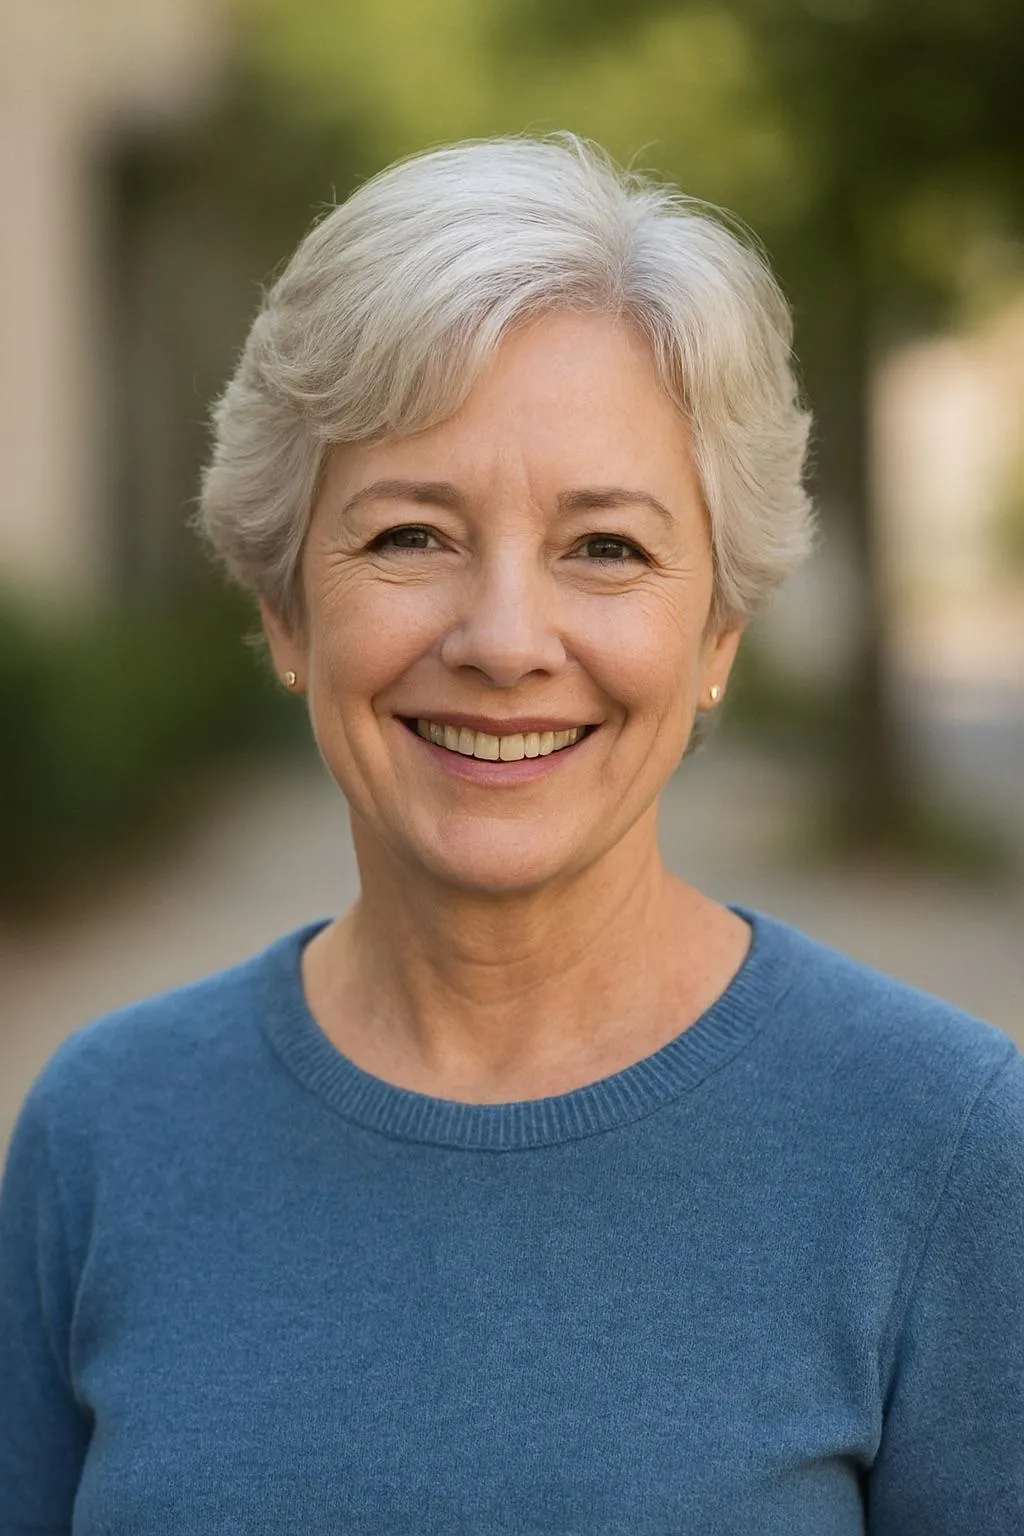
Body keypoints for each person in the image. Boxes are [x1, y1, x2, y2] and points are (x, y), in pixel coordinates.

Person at [1, 134, 1021, 1536]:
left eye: (606, 548)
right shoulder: (103, 1134)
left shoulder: (947, 1146)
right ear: (285, 610)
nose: (502, 642)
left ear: (718, 628)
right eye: (411, 535)